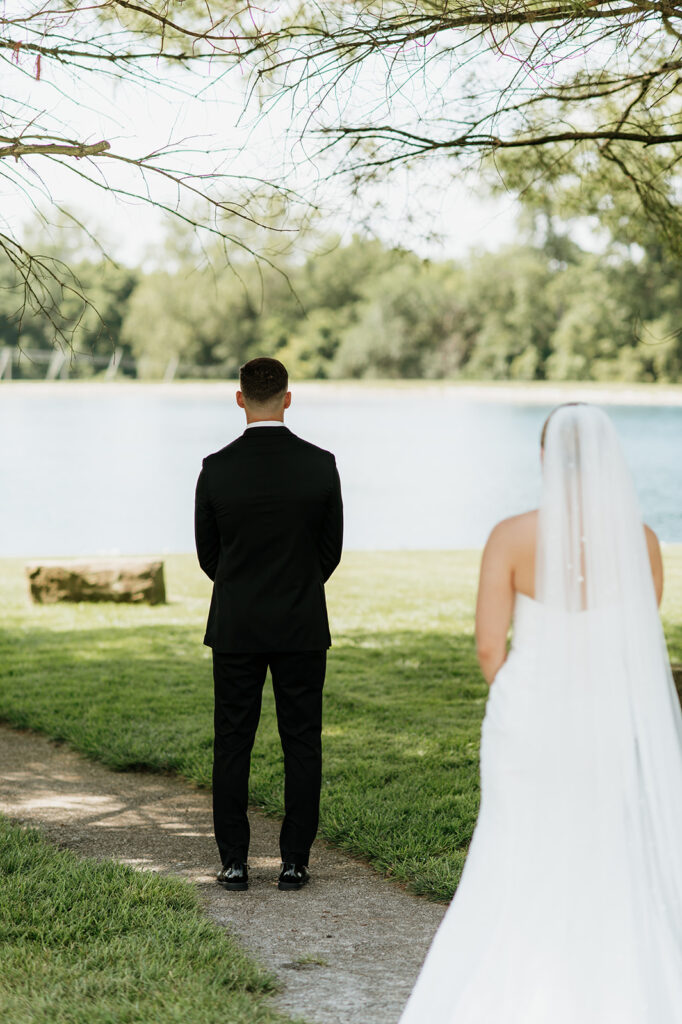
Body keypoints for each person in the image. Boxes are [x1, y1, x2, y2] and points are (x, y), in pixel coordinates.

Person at [399, 402, 682, 1023]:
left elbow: (487, 647)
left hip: (528, 720)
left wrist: (528, 694)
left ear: (545, 457)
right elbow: (635, 648)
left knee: (514, 849)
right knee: (603, 850)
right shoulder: (644, 542)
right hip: (608, 721)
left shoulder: (511, 535)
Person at [194, 357, 343, 892]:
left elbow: (209, 556)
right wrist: (298, 586)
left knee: (233, 741)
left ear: (240, 399)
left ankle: (233, 862)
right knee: (302, 741)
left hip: (236, 625)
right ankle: (295, 861)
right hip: (302, 623)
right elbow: (331, 551)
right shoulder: (321, 464)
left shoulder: (216, 468)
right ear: (287, 397)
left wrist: (242, 589)